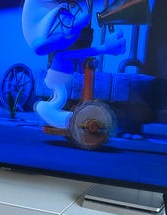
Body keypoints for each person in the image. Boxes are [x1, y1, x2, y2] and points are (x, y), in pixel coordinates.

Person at [22, 0, 126, 129]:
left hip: (57, 80)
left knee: (60, 97)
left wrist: (104, 49)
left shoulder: (60, 55)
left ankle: (62, 117)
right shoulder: (60, 56)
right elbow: (80, 53)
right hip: (57, 81)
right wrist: (104, 48)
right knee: (60, 98)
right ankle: (63, 118)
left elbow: (80, 54)